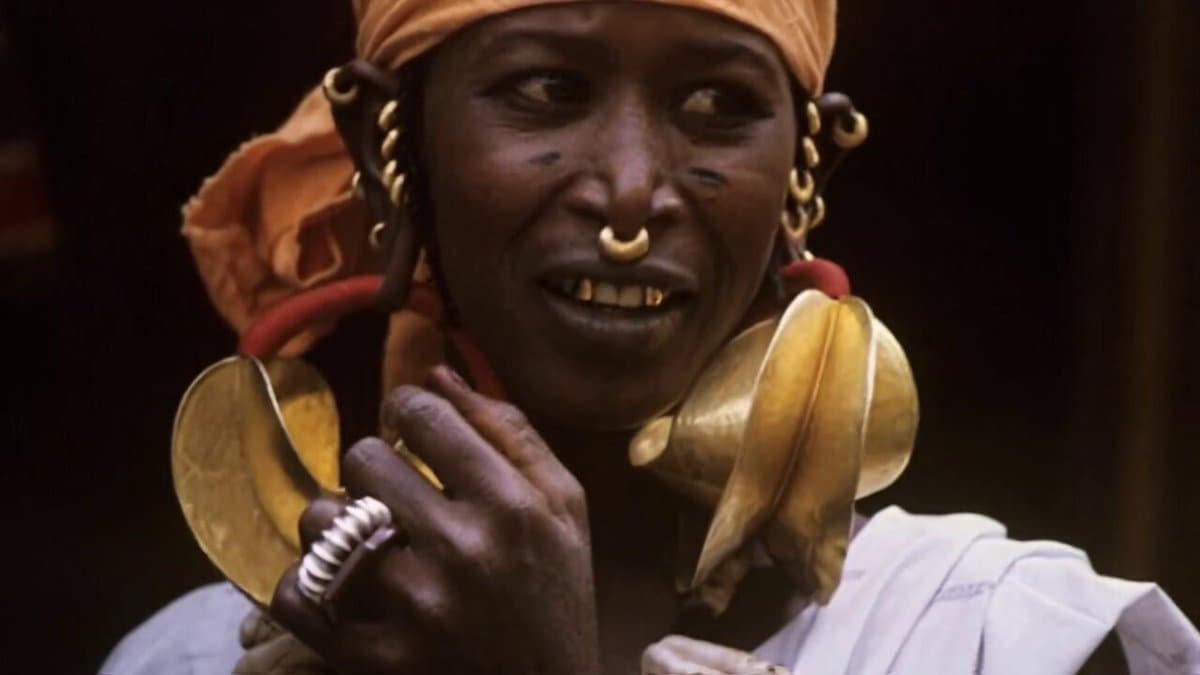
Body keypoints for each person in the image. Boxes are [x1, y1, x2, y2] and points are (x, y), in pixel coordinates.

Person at [103, 1, 1200, 673]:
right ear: (388, 148)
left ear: (805, 171)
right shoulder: (190, 660)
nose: (630, 196)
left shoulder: (1001, 641)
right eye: (545, 90)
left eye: (718, 105)